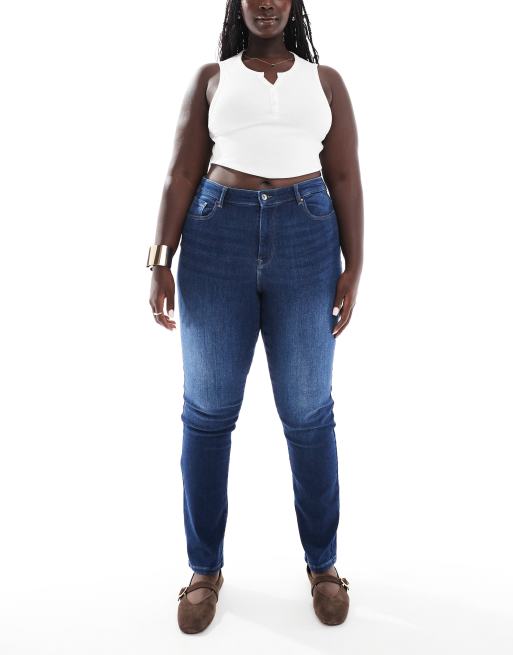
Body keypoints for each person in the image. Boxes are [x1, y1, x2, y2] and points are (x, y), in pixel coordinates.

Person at [147, 0, 363, 634]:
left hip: (308, 236)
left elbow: (344, 173)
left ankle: (323, 565)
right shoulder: (213, 77)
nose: (266, 2)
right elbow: (181, 171)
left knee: (308, 410)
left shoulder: (326, 82)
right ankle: (203, 571)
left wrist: (355, 264)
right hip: (217, 235)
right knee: (208, 411)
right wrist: (160, 259)